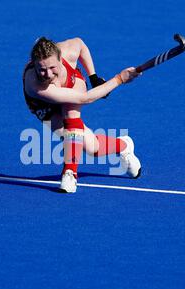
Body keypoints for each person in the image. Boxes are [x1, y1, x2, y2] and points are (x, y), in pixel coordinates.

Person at [22, 37, 142, 193]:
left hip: (73, 84)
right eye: (42, 69)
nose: (48, 74)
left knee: (71, 114)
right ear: (34, 64)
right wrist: (119, 79)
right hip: (45, 105)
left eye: (52, 67)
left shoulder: (67, 50)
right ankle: (123, 145)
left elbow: (80, 44)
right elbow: (86, 98)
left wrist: (94, 78)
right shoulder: (36, 86)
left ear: (60, 58)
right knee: (91, 148)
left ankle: (69, 174)